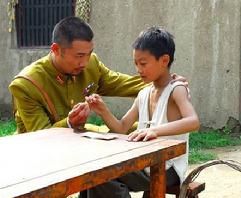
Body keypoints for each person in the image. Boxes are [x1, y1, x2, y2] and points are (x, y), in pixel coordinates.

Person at [9, 16, 186, 133]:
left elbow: (123, 84)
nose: (85, 62)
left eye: (88, 53)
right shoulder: (26, 84)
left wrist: (166, 83)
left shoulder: (91, 64)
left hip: (79, 138)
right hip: (38, 152)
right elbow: (42, 136)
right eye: (79, 56)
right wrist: (70, 123)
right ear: (56, 50)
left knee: (139, 131)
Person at [84, 26, 200, 198]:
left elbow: (193, 122)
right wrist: (103, 110)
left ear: (164, 60)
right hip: (144, 162)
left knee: (101, 176)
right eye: (136, 63)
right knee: (95, 173)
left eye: (143, 63)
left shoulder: (176, 90)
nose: (138, 69)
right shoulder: (144, 93)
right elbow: (122, 127)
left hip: (168, 168)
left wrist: (155, 131)